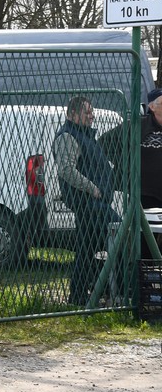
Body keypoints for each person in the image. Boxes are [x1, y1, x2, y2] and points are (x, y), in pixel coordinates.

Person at [53, 95, 119, 305]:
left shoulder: (85, 135)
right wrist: (93, 190)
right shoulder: (67, 136)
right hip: (90, 204)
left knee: (86, 249)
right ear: (72, 114)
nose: (92, 116)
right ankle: (119, 291)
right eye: (87, 112)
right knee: (119, 237)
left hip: (95, 203)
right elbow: (66, 171)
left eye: (92, 112)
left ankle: (80, 295)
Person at [102, 87, 162, 209]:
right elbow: (104, 143)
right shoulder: (137, 126)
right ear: (152, 107)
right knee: (144, 226)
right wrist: (126, 163)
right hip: (144, 193)